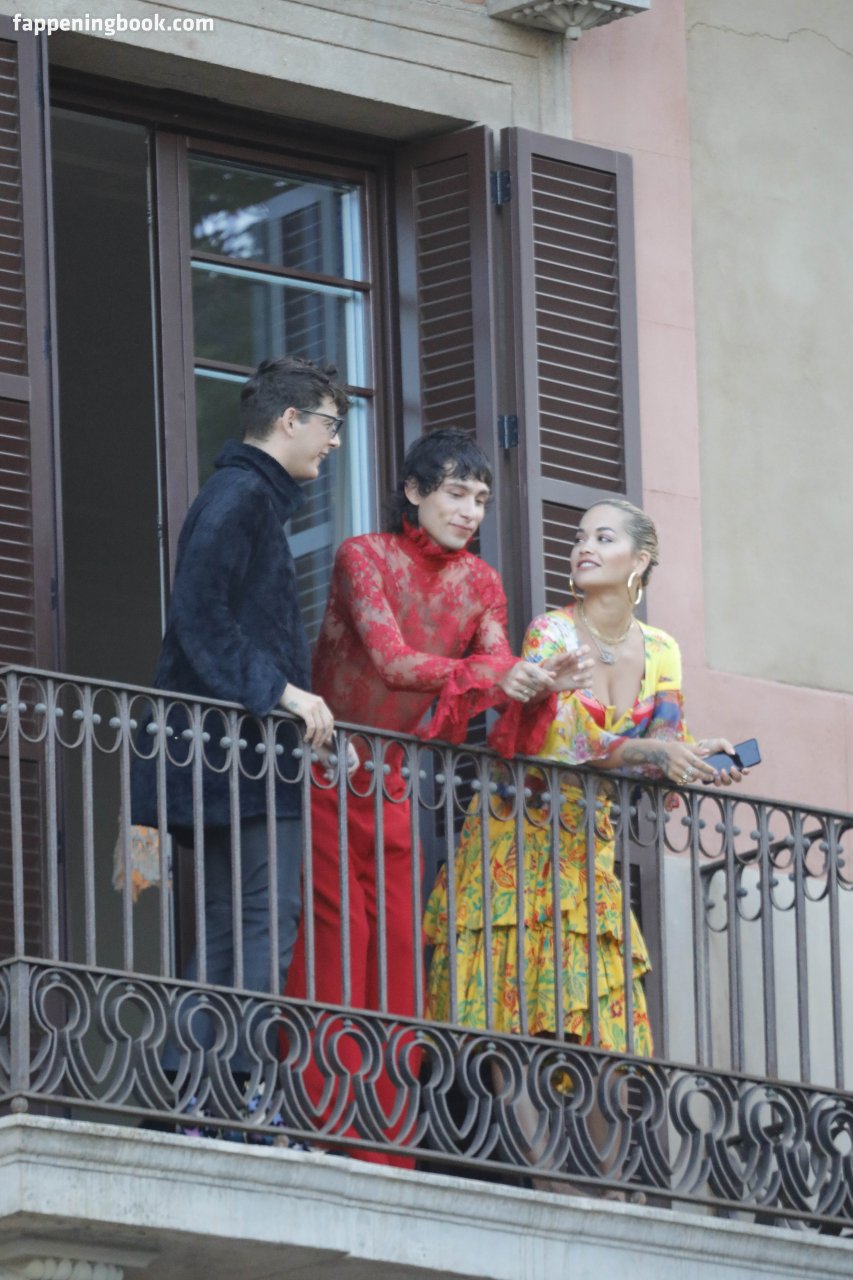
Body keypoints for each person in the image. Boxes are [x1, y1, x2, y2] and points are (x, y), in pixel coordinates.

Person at [284, 428, 587, 1165]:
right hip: (324, 766)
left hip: (393, 777)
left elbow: (497, 662)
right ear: (414, 492)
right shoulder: (363, 555)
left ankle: (387, 1142)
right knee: (336, 935)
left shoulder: (481, 582)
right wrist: (499, 676)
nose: (470, 511)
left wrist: (531, 681)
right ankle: (321, 1119)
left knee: (395, 944)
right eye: (455, 493)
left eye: (480, 499)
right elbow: (391, 661)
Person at [423, 499, 743, 1185]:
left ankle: (608, 1186)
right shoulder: (550, 632)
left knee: (603, 1025)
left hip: (584, 851)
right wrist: (652, 752)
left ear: (640, 560)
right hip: (515, 839)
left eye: (602, 537)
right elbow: (563, 739)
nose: (582, 547)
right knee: (511, 1014)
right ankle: (549, 1182)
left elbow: (664, 741)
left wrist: (696, 756)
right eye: (578, 537)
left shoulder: (662, 649)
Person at [131, 355, 348, 1060]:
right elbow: (199, 614)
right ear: (289, 420)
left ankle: (188, 1080)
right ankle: (239, 1086)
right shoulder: (243, 495)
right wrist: (284, 693)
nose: (334, 441)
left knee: (235, 918)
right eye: (329, 424)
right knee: (265, 916)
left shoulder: (241, 493)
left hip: (227, 750)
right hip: (238, 752)